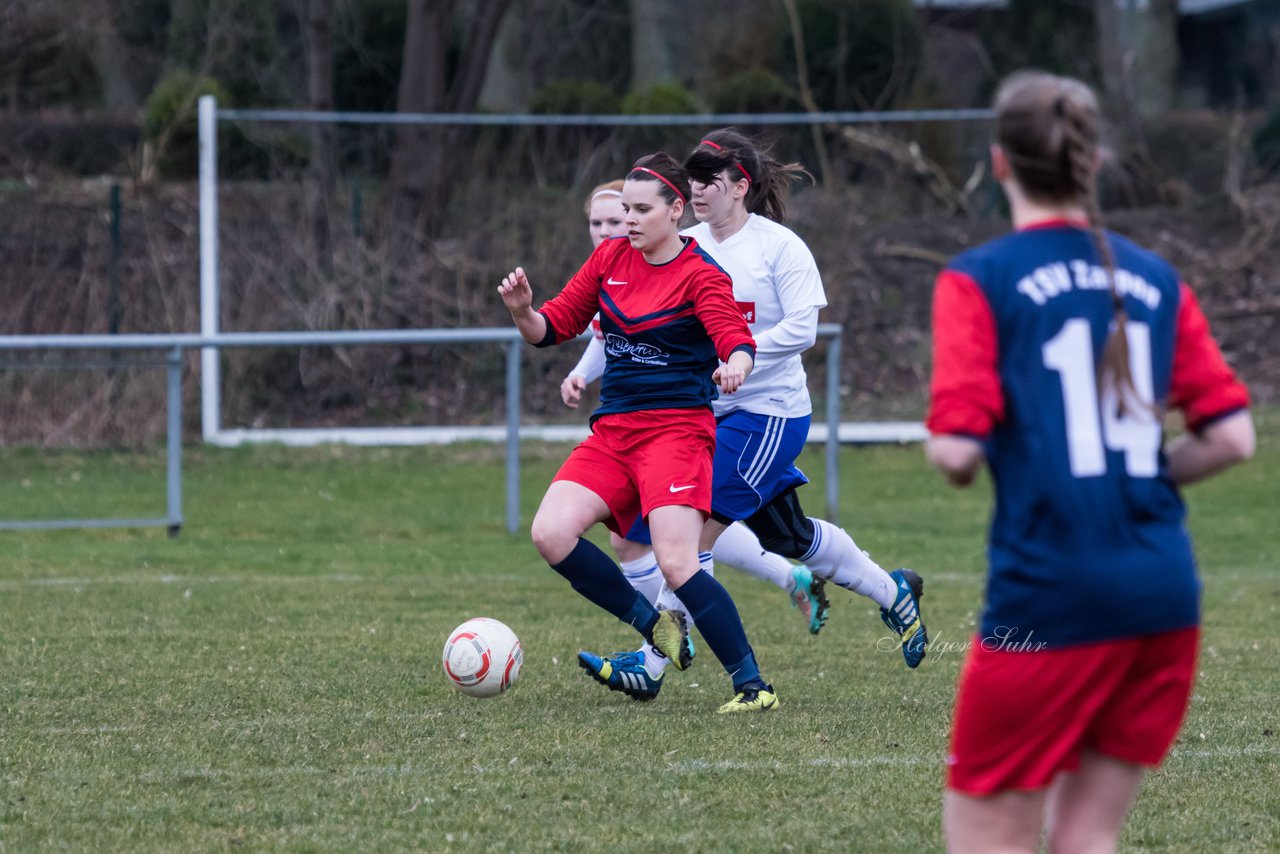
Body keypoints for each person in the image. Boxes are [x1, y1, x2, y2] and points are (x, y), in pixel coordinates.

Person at [925, 71, 1255, 853]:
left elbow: (956, 453)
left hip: (1048, 603)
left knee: (987, 835)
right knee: (1086, 838)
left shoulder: (979, 277)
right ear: (1093, 161)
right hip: (1162, 597)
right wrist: (1137, 474)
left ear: (998, 163)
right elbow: (1233, 436)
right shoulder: (1153, 277)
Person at [579, 128, 930, 703]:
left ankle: (653, 663)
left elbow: (804, 328)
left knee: (688, 536)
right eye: (690, 179)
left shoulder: (779, 247)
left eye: (708, 180)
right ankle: (894, 594)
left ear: (740, 186)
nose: (695, 190)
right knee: (788, 535)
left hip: (768, 413)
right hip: (706, 416)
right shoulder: (683, 245)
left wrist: (740, 350)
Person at [498, 152, 780, 714]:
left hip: (675, 436)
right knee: (550, 533)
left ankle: (753, 687)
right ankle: (654, 626)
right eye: (624, 208)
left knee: (679, 563)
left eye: (641, 209)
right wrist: (523, 312)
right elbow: (552, 326)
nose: (627, 219)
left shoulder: (702, 274)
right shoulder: (610, 259)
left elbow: (735, 339)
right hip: (614, 435)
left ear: (676, 210)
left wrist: (736, 366)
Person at [563, 180, 831, 636]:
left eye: (618, 218)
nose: (609, 228)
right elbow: (607, 336)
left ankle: (663, 645)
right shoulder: (614, 264)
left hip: (696, 419)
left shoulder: (681, 263)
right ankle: (667, 635)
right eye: (598, 222)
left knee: (684, 533)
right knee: (650, 537)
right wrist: (582, 374)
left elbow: (729, 332)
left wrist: (739, 357)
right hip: (637, 424)